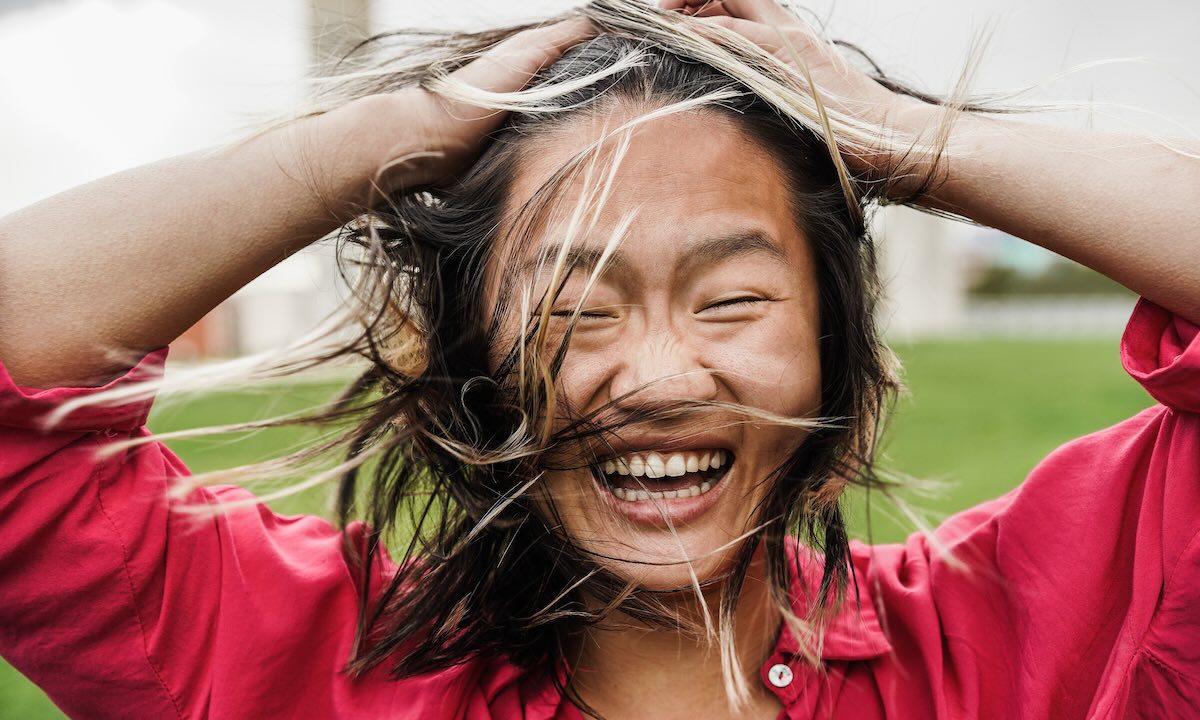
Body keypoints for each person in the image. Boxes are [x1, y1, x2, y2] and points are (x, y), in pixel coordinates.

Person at [1, 0, 1197, 717]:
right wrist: (384, 138)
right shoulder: (297, 665)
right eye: (576, 312)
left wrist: (898, 135)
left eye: (732, 301)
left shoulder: (1024, 637)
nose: (663, 377)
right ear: (461, 385)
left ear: (850, 384)